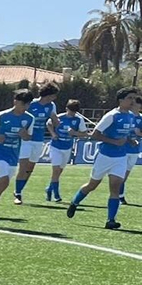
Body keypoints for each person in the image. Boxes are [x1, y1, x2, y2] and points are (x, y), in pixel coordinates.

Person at [66, 87, 140, 229]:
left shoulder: (131, 116)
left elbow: (127, 133)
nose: (133, 101)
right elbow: (95, 134)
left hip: (120, 157)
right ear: (121, 100)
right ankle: (74, 203)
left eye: (134, 98)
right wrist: (114, 141)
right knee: (92, 185)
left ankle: (110, 220)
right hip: (105, 155)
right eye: (130, 98)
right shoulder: (111, 116)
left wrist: (131, 140)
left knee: (116, 187)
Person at [0, 88, 35, 225]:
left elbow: (28, 137)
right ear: (16, 102)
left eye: (28, 104)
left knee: (2, 185)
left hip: (13, 155)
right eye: (23, 103)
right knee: (3, 182)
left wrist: (24, 135)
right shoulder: (3, 116)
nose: (25, 107)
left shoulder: (29, 118)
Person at [16, 82, 60, 202]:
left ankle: (20, 189)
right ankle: (18, 194)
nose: (55, 98)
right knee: (23, 166)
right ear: (48, 94)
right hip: (26, 139)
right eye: (54, 95)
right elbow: (21, 116)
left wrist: (57, 122)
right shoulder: (32, 104)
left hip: (39, 140)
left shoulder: (51, 105)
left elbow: (53, 119)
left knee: (30, 168)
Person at [45, 99, 88, 202]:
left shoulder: (78, 120)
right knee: (55, 170)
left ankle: (49, 189)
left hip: (67, 147)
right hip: (55, 147)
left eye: (74, 111)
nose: (72, 113)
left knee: (59, 171)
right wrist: (53, 134)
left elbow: (84, 133)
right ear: (66, 109)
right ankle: (56, 195)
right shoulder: (59, 117)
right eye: (71, 110)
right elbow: (49, 123)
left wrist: (74, 133)